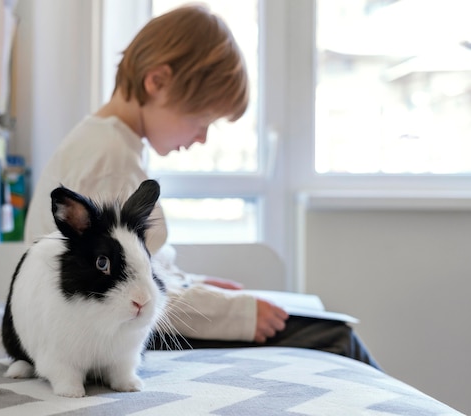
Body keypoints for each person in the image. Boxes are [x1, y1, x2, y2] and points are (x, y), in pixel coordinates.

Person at [24, 4, 380, 369]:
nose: (202, 138)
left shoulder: (106, 143)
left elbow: (135, 270)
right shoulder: (109, 160)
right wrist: (238, 316)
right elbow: (134, 298)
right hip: (109, 331)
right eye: (201, 119)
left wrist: (196, 283)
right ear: (157, 82)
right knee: (336, 338)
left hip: (109, 318)